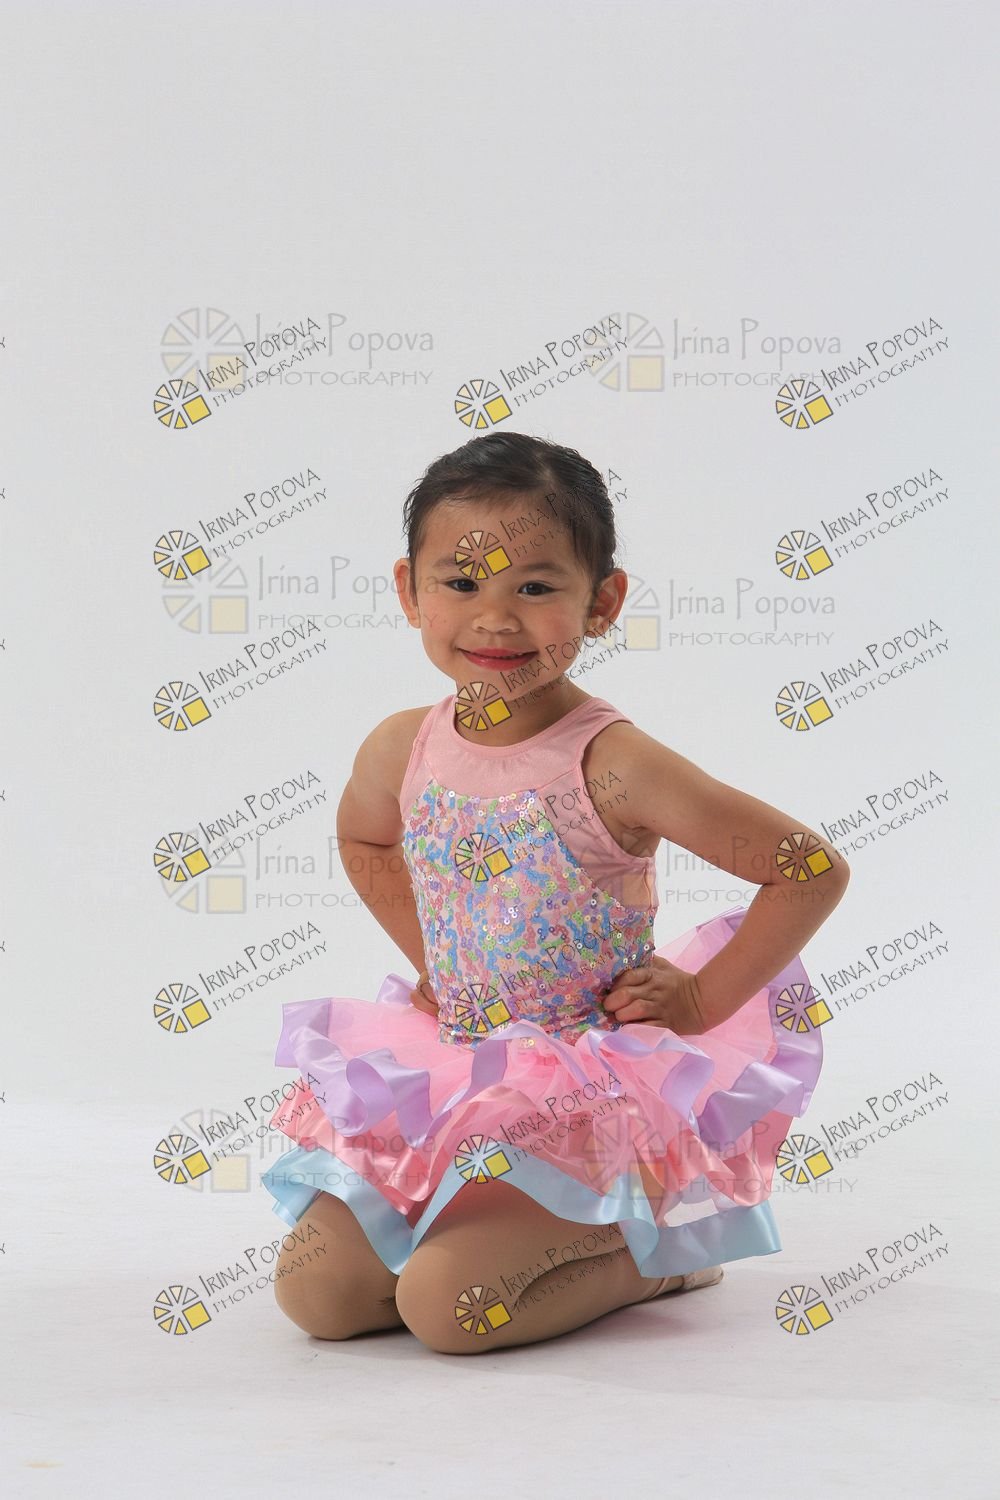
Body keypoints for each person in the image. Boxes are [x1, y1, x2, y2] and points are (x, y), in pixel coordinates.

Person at [261, 430, 849, 1354]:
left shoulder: (610, 765)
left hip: (581, 1096)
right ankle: (478, 1233)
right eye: (461, 582)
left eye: (535, 587)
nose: (495, 619)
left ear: (602, 601)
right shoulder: (403, 746)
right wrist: (434, 960)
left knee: (452, 1311)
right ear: (409, 591)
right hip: (455, 1071)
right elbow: (365, 837)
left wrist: (701, 1001)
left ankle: (663, 1254)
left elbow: (806, 868)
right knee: (319, 1297)